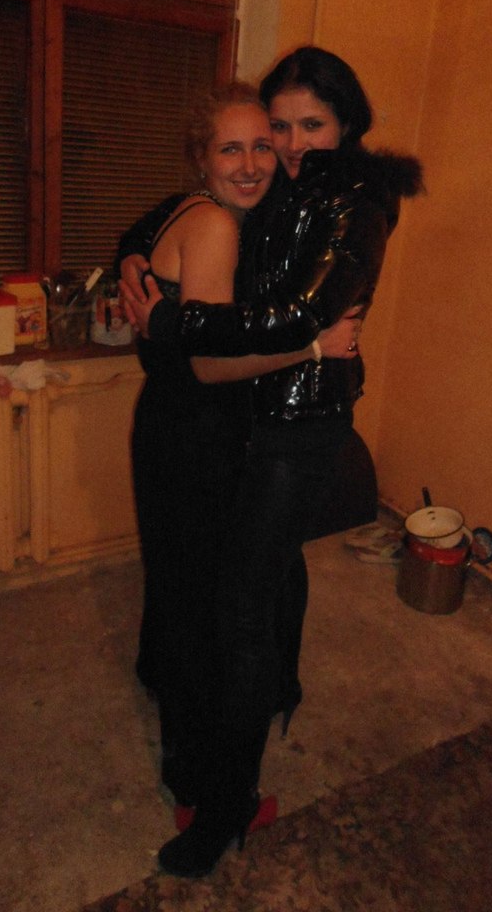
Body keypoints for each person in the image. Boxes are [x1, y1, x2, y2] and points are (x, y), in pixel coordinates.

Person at [119, 47, 424, 878]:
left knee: (242, 609)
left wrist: (172, 324)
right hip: (252, 421)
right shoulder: (285, 187)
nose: (285, 147)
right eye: (274, 128)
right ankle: (268, 700)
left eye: (306, 126)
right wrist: (134, 257)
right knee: (261, 579)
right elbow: (168, 222)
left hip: (300, 425)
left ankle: (225, 808)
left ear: (347, 123)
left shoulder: (355, 201)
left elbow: (297, 315)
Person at [126, 81, 361, 833]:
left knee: (181, 590)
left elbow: (161, 288)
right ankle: (199, 788)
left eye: (264, 144)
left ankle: (185, 761)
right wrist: (314, 346)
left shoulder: (185, 211)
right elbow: (210, 363)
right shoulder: (217, 228)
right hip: (197, 434)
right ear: (202, 158)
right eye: (232, 148)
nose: (254, 163)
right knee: (207, 613)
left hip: (166, 427)